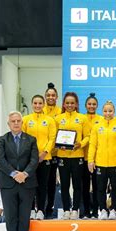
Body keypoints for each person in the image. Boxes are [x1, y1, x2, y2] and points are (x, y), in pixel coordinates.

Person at [0, 111, 38, 231]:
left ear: (22, 122)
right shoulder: (2, 140)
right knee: (11, 215)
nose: (16, 123)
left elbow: (34, 160)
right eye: (13, 121)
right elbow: (0, 160)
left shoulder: (31, 140)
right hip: (8, 183)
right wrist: (14, 174)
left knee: (24, 215)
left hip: (27, 183)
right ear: (8, 124)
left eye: (18, 120)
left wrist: (24, 174)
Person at [55, 92, 91, 220]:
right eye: (67, 103)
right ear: (64, 104)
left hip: (78, 156)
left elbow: (88, 136)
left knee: (77, 185)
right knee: (64, 185)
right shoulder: (58, 119)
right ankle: (66, 210)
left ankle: (75, 209)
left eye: (72, 103)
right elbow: (54, 137)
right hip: (62, 156)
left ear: (76, 104)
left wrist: (80, 144)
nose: (70, 105)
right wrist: (59, 145)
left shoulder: (82, 118)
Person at [88, 101, 116, 220]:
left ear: (114, 112)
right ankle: (103, 209)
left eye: (110, 111)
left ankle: (114, 209)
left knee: (115, 188)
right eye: (105, 111)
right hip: (100, 163)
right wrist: (90, 160)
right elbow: (93, 144)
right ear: (102, 111)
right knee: (100, 188)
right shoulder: (97, 126)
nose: (108, 113)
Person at [22, 95, 57, 220]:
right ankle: (31, 209)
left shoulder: (49, 120)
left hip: (45, 158)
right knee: (29, 185)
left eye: (40, 103)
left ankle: (41, 210)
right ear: (32, 104)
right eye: (35, 103)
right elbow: (23, 137)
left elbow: (52, 138)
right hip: (29, 159)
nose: (37, 105)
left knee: (43, 185)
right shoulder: (25, 119)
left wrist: (44, 152)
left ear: (43, 104)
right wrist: (31, 155)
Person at [82, 93, 103, 219]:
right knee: (84, 186)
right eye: (89, 104)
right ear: (85, 105)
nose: (91, 106)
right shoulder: (81, 118)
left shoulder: (101, 119)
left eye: (94, 104)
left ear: (97, 106)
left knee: (97, 187)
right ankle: (85, 211)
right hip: (83, 157)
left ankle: (95, 211)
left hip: (97, 159)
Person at [43, 83, 62, 219]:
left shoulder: (60, 112)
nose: (51, 97)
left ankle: (49, 209)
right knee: (42, 183)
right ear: (45, 97)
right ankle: (39, 209)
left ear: (57, 97)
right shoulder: (40, 110)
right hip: (42, 155)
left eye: (53, 95)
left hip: (57, 153)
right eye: (48, 95)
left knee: (52, 184)